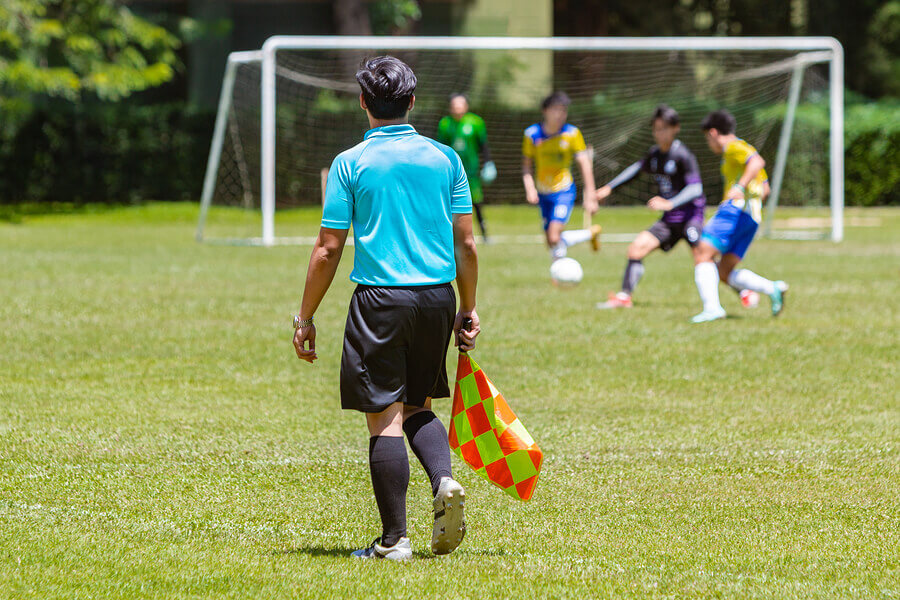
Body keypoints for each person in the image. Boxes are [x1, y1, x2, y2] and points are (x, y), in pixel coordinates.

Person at [291, 56, 480, 560]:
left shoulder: (351, 163)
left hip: (380, 300)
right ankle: (443, 479)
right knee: (419, 404)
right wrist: (468, 306)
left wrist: (305, 317)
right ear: (413, 102)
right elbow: (467, 244)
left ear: (362, 103)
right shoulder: (446, 159)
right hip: (438, 298)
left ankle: (393, 541)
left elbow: (329, 248)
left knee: (384, 416)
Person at [595, 105, 707, 309]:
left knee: (705, 258)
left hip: (691, 217)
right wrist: (609, 188)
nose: (659, 133)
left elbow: (696, 188)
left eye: (664, 128)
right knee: (636, 248)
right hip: (669, 220)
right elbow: (635, 170)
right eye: (656, 129)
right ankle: (624, 297)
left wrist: (669, 203)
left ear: (675, 128)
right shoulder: (655, 154)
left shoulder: (683, 155)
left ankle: (744, 291)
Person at [692, 109, 788, 323]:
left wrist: (738, 187)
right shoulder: (744, 148)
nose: (709, 143)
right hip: (752, 217)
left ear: (714, 132)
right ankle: (772, 288)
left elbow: (758, 162)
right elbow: (765, 189)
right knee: (724, 271)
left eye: (707, 138)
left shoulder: (733, 147)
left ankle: (712, 309)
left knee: (702, 254)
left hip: (736, 210)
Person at [522, 92, 601, 261]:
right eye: (555, 110)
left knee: (554, 236)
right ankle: (588, 236)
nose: (560, 114)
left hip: (564, 190)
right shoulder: (532, 134)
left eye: (563, 110)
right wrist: (530, 189)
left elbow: (585, 165)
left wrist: (590, 196)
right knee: (550, 241)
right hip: (543, 192)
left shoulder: (572, 134)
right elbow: (526, 166)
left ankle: (561, 271)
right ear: (545, 111)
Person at [437, 93, 496, 241]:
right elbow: (440, 148)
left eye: (460, 104)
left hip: (471, 172)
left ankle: (484, 233)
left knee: (476, 202)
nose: (457, 107)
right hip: (451, 172)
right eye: (454, 104)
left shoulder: (475, 122)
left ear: (466, 106)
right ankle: (449, 235)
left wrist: (488, 163)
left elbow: (483, 145)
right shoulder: (444, 124)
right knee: (448, 203)